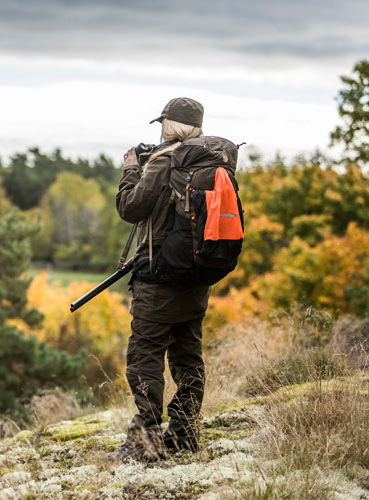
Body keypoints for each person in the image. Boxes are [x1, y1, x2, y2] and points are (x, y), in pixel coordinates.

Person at [113, 97, 211, 461]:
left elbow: (131, 208)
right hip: (198, 276)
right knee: (188, 355)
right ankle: (185, 434)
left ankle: (145, 441)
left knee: (145, 356)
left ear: (170, 125)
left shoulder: (164, 160)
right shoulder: (211, 160)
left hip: (158, 278)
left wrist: (130, 170)